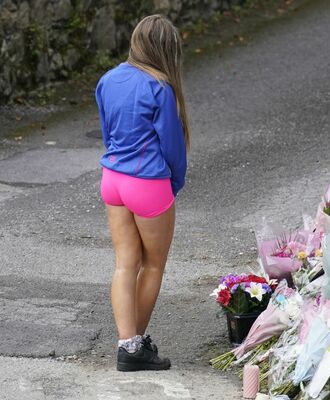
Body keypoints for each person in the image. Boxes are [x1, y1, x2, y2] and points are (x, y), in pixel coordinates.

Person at [95, 14, 189, 372]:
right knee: (153, 265)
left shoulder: (107, 79)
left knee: (124, 264)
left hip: (113, 179)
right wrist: (173, 185)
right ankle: (135, 348)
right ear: (166, 50)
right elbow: (172, 147)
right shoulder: (160, 87)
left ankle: (127, 342)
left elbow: (108, 132)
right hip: (147, 183)